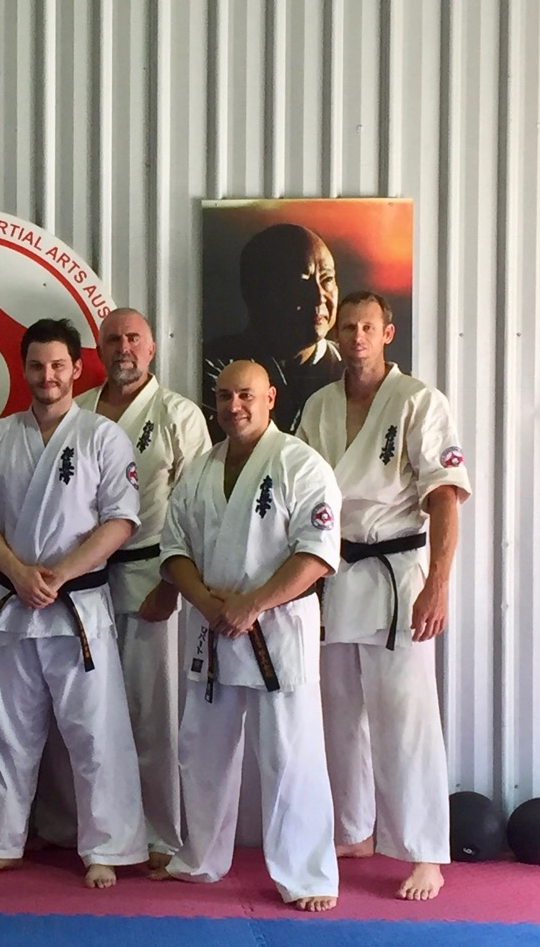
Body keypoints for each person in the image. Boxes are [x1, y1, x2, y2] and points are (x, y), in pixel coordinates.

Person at [0, 317, 147, 890]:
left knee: (95, 732)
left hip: (78, 606)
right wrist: (18, 574)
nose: (48, 376)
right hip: (15, 604)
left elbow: (121, 520)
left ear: (76, 369)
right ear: (24, 370)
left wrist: (61, 574)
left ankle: (107, 848)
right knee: (6, 730)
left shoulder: (102, 436)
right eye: (37, 366)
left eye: (58, 365)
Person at [297, 292, 471, 901]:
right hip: (332, 574)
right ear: (337, 334)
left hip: (397, 575)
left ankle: (425, 852)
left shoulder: (418, 400)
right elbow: (301, 490)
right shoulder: (318, 405)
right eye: (348, 327)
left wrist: (438, 585)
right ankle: (354, 830)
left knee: (406, 718)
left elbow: (444, 497)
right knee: (338, 712)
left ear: (387, 333)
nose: (357, 336)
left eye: (368, 326)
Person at [156, 360, 341, 911]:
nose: (233, 406)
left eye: (245, 395)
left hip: (275, 631)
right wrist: (207, 602)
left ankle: (307, 876)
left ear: (270, 398)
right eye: (223, 396)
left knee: (290, 756)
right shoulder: (199, 470)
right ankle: (200, 858)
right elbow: (174, 549)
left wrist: (253, 602)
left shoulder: (300, 464)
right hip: (213, 628)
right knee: (201, 751)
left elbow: (317, 553)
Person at [73, 307, 210, 869]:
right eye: (112, 339)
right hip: (82, 578)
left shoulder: (178, 414)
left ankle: (159, 835)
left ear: (151, 348)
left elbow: (196, 507)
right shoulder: (77, 409)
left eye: (133, 338)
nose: (123, 347)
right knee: (86, 712)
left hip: (152, 571)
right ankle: (90, 828)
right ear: (99, 349)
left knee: (151, 716)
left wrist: (174, 585)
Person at [204, 223, 344, 434]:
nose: (318, 296)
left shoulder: (351, 368)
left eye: (327, 279)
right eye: (300, 282)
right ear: (255, 290)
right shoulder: (216, 365)